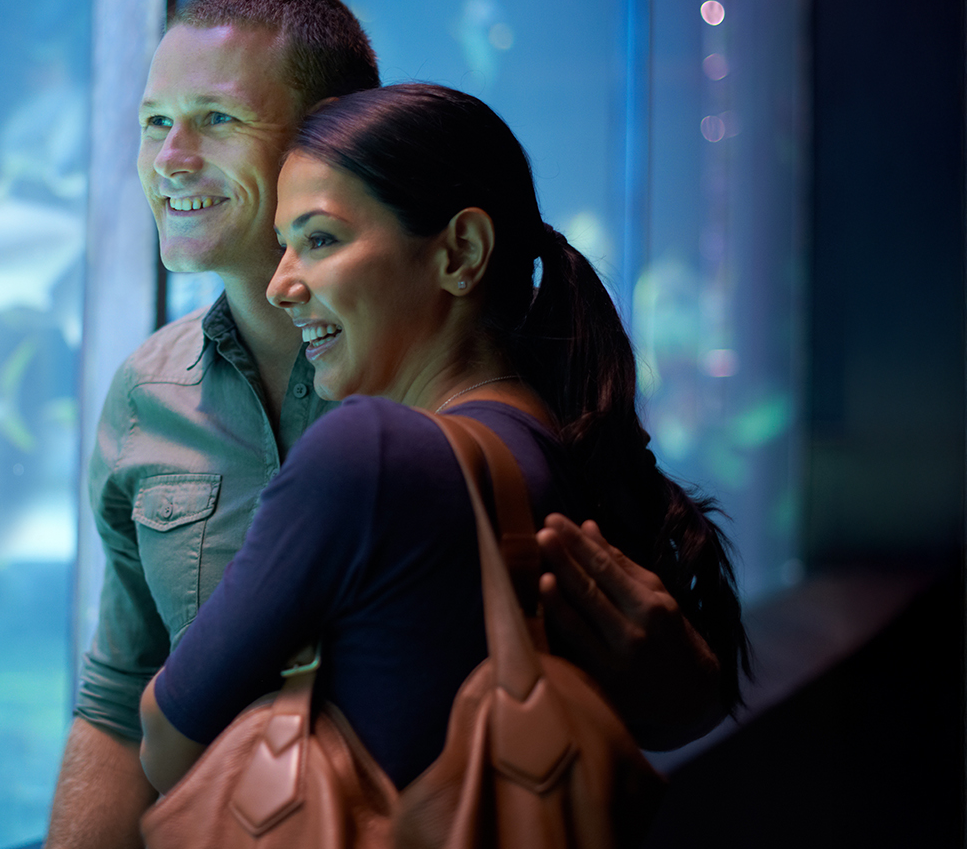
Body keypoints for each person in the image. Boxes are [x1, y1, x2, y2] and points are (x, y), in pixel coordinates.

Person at [37, 0, 741, 849]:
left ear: (327, 125)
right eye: (151, 120)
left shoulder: (481, 386)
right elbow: (116, 694)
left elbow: (658, 671)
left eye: (215, 119)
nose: (171, 155)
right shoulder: (150, 392)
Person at [138, 82, 748, 798]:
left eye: (320, 240)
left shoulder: (368, 457)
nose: (280, 285)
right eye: (283, 246)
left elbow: (167, 744)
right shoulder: (552, 449)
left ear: (460, 252)